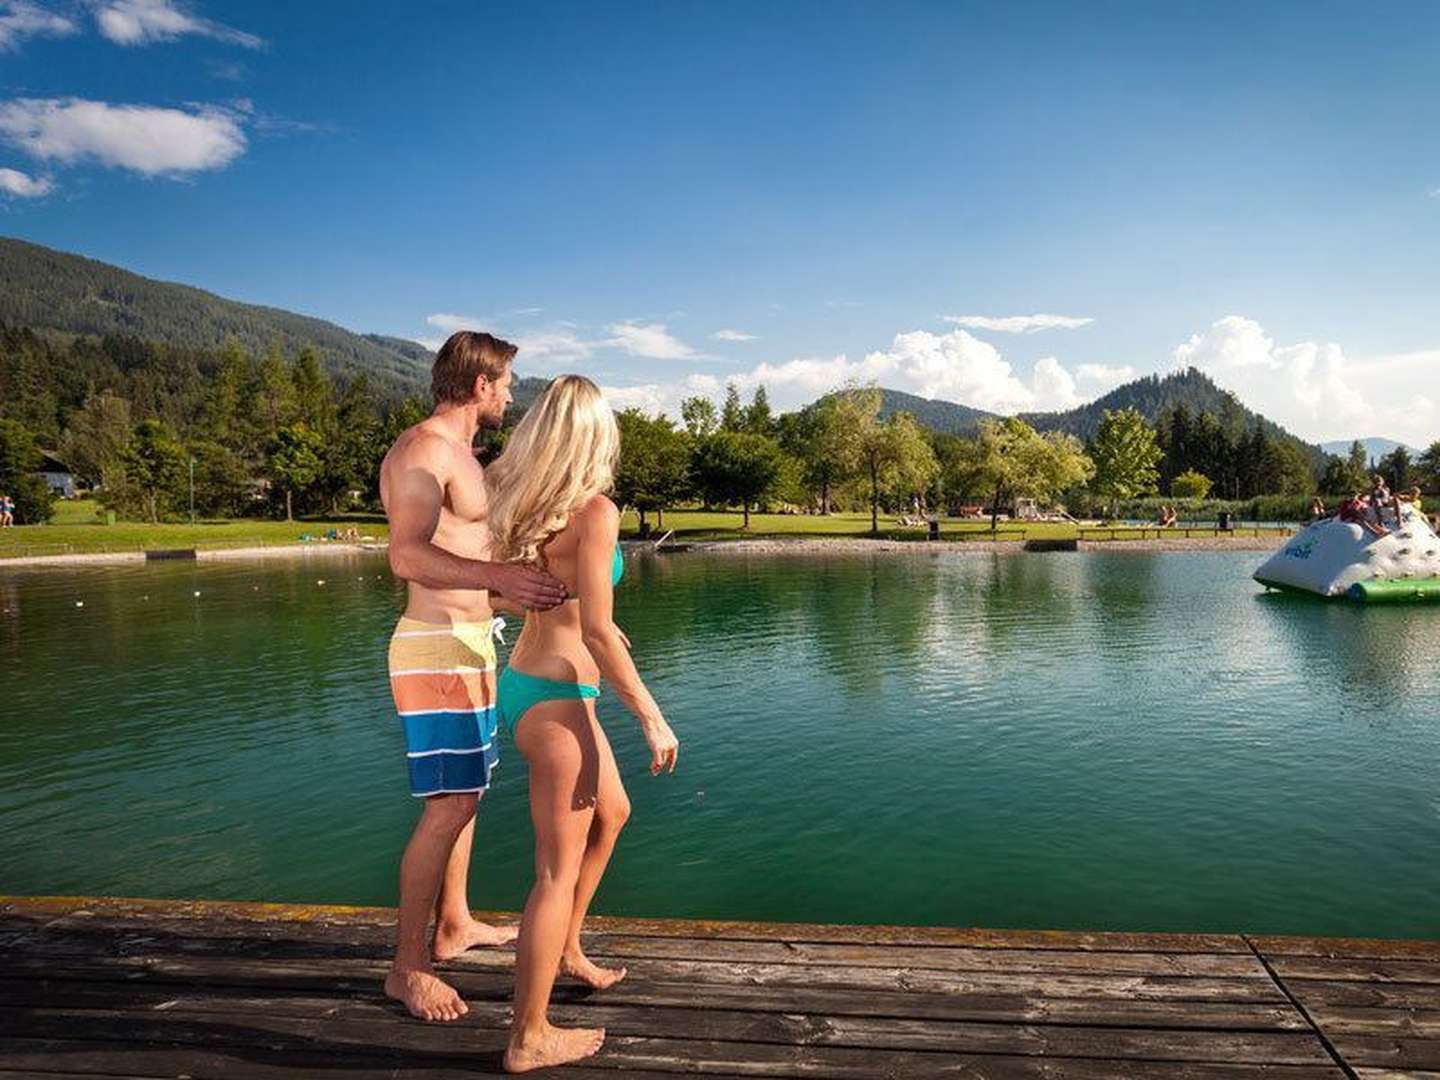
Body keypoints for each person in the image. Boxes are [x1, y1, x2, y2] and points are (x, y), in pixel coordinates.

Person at [485, 375, 679, 1073]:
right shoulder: (595, 511)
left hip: (531, 684)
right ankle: (526, 1036)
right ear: (595, 436)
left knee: (614, 812)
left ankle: (565, 949)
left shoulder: (525, 502)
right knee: (553, 873)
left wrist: (595, 629)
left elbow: (532, 598)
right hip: (559, 698)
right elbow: (594, 627)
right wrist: (652, 716)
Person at [378, 331, 569, 1024]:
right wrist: (498, 576)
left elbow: (460, 568)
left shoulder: (462, 455)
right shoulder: (425, 450)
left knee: (469, 792)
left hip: (467, 642)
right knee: (449, 804)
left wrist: (506, 597)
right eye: (507, 381)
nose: (512, 393)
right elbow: (406, 556)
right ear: (480, 383)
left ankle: (453, 922)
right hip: (434, 652)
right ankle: (406, 967)